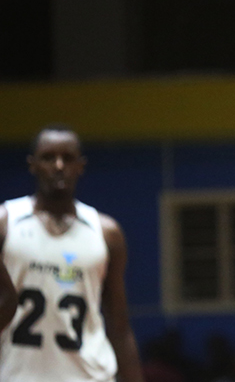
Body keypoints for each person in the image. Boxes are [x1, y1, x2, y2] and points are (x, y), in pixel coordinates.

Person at [0, 125, 144, 382]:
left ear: (81, 166)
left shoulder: (107, 232)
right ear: (32, 165)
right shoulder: (6, 222)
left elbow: (119, 326)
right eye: (48, 157)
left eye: (67, 158)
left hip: (89, 375)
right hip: (16, 374)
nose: (58, 166)